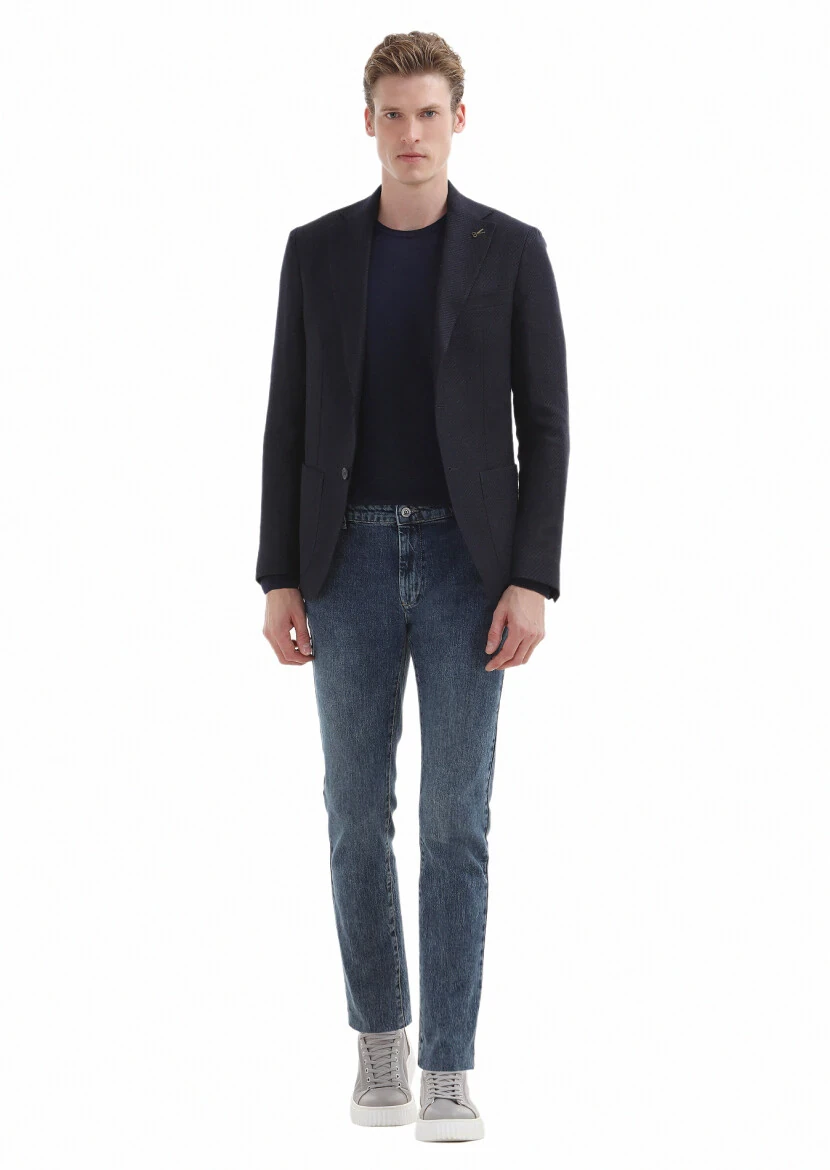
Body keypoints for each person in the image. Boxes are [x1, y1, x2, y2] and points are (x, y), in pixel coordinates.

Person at [257, 31, 569, 1143]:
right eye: (391, 114)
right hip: (341, 565)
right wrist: (279, 576)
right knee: (353, 815)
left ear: (458, 120)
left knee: (454, 825)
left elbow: (546, 424)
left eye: (428, 113)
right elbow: (287, 421)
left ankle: (447, 1066)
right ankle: (379, 1038)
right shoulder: (315, 252)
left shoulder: (511, 250)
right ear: (367, 123)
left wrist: (531, 577)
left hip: (465, 569)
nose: (410, 134)